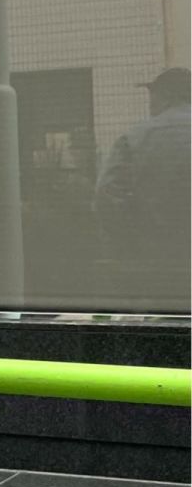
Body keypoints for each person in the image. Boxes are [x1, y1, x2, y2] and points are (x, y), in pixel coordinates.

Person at [95, 66, 191, 307]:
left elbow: (107, 194)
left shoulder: (136, 137)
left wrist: (130, 238)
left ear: (165, 97)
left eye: (152, 96)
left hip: (158, 259)